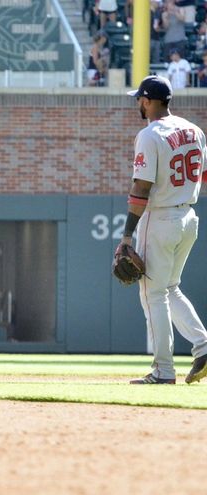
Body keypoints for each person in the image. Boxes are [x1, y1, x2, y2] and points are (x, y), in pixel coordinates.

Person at [121, 75, 207, 385]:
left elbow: (141, 188)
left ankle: (163, 371)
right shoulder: (194, 130)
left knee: (152, 294)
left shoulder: (150, 134)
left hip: (160, 218)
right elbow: (203, 175)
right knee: (170, 288)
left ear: (148, 101)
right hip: (188, 217)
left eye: (139, 99)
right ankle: (204, 346)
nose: (138, 103)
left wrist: (126, 235)